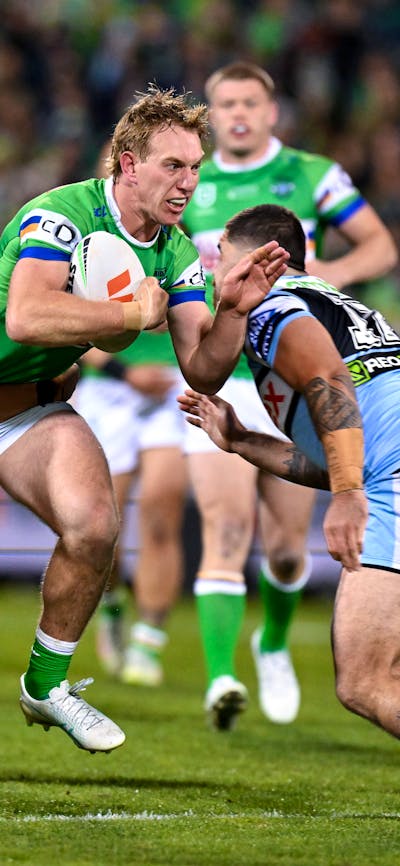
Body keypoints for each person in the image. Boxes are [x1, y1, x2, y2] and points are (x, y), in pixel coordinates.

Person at [1, 85, 288, 753]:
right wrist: (130, 316)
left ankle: (46, 686)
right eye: (172, 166)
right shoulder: (62, 215)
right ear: (129, 165)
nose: (188, 182)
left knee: (96, 524)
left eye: (194, 167)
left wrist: (235, 313)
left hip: (24, 409)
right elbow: (26, 315)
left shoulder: (177, 252)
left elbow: (202, 368)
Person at [181, 60, 397, 730]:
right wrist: (244, 440)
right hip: (385, 470)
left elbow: (332, 385)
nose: (212, 267)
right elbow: (340, 432)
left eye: (221, 253)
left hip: (389, 486)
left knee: (365, 682)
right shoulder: (330, 304)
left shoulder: (276, 310)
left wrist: (349, 495)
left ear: (265, 261)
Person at [76, 333, 188, 687]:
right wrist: (125, 372)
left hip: (171, 386)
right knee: (104, 527)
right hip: (108, 390)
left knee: (161, 517)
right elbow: (70, 326)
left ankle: (148, 642)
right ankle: (111, 604)